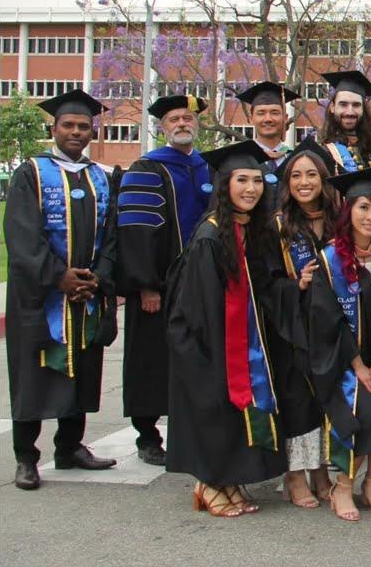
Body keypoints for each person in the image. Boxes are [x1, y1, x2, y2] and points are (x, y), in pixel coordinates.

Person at [165, 140, 289, 517]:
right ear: (224, 185)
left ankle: (226, 479)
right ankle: (207, 483)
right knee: (215, 411)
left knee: (234, 414)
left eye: (257, 181)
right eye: (242, 180)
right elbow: (198, 306)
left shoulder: (247, 230)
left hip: (235, 339)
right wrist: (211, 354)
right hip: (205, 341)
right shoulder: (210, 237)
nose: (251, 189)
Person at [5, 90, 118, 490]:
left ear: (92, 131)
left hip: (86, 297)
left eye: (83, 126)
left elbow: (112, 235)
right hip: (40, 298)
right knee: (33, 374)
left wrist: (97, 277)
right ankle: (25, 457)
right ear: (53, 129)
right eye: (68, 125)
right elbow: (21, 235)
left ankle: (70, 447)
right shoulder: (31, 173)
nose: (76, 132)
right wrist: (60, 277)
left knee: (82, 371)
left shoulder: (100, 176)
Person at [302, 167, 371, 522]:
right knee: (365, 411)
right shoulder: (329, 259)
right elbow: (327, 320)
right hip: (342, 363)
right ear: (348, 211)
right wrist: (359, 365)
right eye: (363, 208)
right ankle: (343, 486)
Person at [115, 94, 212, 465]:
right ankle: (147, 436)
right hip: (159, 286)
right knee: (151, 359)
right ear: (162, 126)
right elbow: (135, 230)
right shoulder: (146, 168)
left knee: (195, 358)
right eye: (174, 119)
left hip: (200, 284)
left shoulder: (207, 168)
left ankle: (190, 432)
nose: (182, 123)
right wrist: (147, 284)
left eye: (188, 117)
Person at [271, 145, 337, 508]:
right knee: (297, 400)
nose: (304, 182)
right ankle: (295, 475)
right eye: (296, 175)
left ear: (324, 180)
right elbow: (265, 281)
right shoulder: (277, 225)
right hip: (292, 328)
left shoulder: (338, 220)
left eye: (311, 174)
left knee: (323, 400)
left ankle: (321, 470)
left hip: (329, 324)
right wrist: (295, 284)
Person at [296, 70, 371, 175]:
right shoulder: (323, 154)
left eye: (356, 105)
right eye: (343, 104)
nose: (350, 112)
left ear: (363, 110)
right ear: (332, 107)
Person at [235, 81, 301, 210]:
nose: (268, 119)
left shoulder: (296, 159)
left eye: (275, 112)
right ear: (250, 119)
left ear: (285, 118)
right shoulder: (238, 160)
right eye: (261, 113)